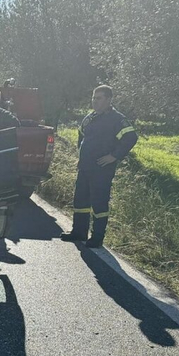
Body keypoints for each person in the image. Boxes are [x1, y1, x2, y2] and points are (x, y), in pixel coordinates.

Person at [59, 85, 138, 248]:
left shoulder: (117, 119)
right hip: (85, 167)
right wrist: (81, 155)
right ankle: (79, 232)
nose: (95, 101)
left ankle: (97, 237)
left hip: (102, 169)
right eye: (93, 98)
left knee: (99, 203)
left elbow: (131, 137)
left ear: (109, 100)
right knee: (80, 201)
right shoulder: (90, 117)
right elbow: (81, 135)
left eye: (99, 98)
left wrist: (114, 156)